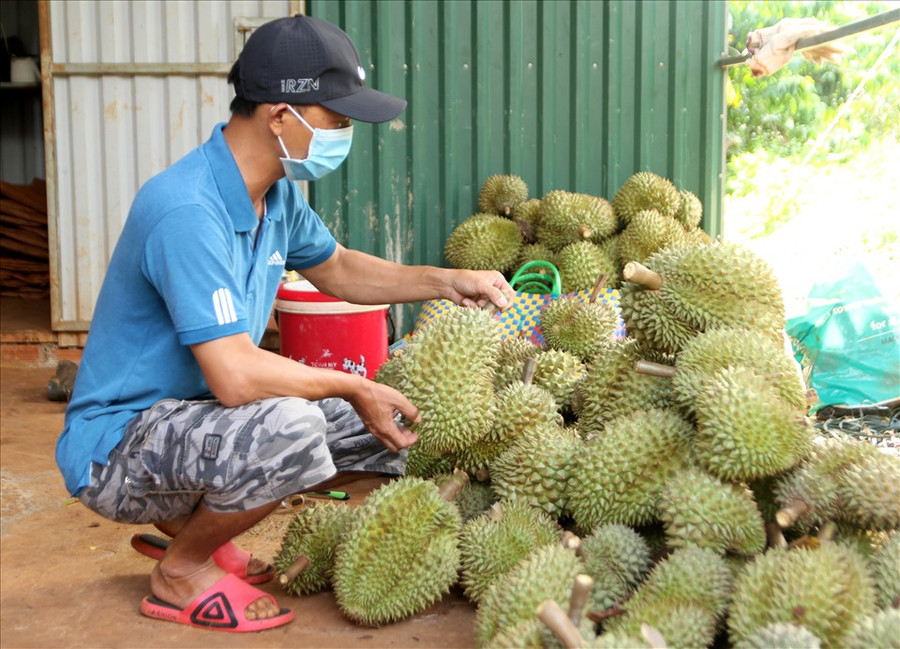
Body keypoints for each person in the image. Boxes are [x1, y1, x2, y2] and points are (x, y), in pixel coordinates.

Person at [56, 14, 513, 633]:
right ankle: (181, 570)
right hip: (118, 448)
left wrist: (446, 280)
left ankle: (202, 529)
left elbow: (342, 270)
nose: (347, 133)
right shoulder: (187, 209)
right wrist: (352, 384)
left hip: (190, 424)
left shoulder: (275, 198)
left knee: (388, 420)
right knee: (294, 424)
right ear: (280, 116)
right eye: (338, 117)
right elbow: (237, 379)